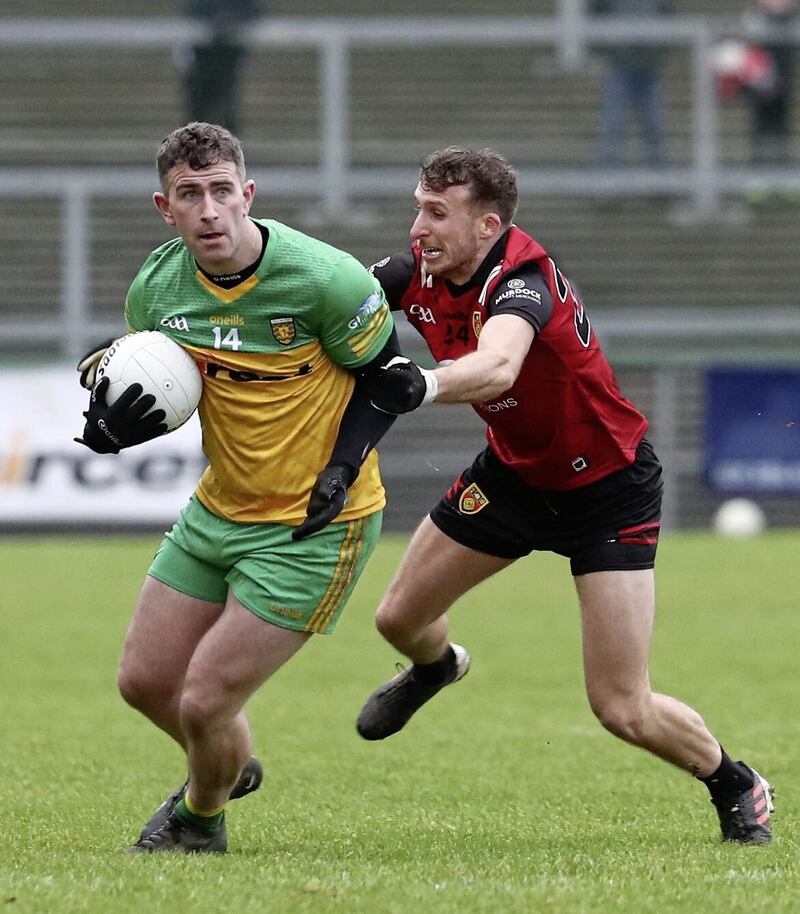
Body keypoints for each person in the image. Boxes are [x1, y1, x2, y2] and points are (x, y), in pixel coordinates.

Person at [355, 145, 775, 846]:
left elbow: (497, 365)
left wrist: (422, 383)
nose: (417, 228)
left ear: (488, 227)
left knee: (620, 706)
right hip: (515, 477)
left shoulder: (522, 280)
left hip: (608, 490)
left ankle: (735, 783)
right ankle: (437, 667)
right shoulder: (415, 274)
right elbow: (327, 292)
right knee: (398, 619)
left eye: (436, 213)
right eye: (417, 208)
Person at [74, 121, 406, 854]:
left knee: (203, 699)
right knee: (144, 682)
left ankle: (200, 818)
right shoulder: (156, 288)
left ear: (247, 195)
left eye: (222, 192)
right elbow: (159, 382)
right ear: (165, 208)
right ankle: (224, 760)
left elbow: (390, 379)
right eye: (189, 195)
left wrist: (343, 468)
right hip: (220, 507)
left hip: (315, 526)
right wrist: (109, 430)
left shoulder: (325, 279)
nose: (209, 210)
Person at [591, 0, 673, 167]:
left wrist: (661, 48)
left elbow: (668, 13)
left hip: (650, 63)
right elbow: (596, 11)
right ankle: (607, 178)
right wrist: (606, 46)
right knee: (613, 125)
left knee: (654, 125)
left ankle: (659, 178)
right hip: (619, 62)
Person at [180, 0, 261, 135]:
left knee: (225, 107)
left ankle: (227, 143)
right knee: (199, 108)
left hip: (228, 59)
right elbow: (192, 17)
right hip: (203, 59)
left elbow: (254, 14)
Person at [742, 0, 797, 163]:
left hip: (782, 88)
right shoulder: (754, 20)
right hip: (760, 88)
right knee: (763, 129)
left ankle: (777, 173)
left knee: (780, 129)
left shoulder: (792, 22)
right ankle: (760, 176)